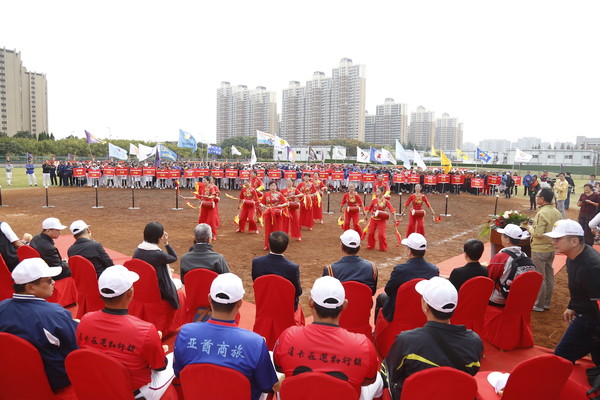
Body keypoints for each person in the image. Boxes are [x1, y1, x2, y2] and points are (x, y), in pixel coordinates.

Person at [273, 276, 383, 400]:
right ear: (345, 305)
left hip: (297, 395)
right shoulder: (363, 345)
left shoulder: (288, 335)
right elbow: (368, 380)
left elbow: (280, 367)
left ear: (311, 302)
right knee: (379, 379)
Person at [173, 273, 278, 400]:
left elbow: (178, 372)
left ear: (209, 299)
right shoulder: (255, 343)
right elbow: (266, 385)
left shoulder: (186, 333)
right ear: (240, 303)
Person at [76, 265, 175, 399]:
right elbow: (159, 367)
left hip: (99, 381)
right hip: (134, 391)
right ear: (130, 292)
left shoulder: (85, 320)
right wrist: (158, 348)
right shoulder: (145, 330)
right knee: (173, 357)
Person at [384, 277, 483, 400]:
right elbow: (471, 373)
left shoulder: (406, 341)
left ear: (426, 306)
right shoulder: (474, 342)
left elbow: (388, 374)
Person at [0, 258, 78, 393]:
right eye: (48, 280)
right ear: (30, 287)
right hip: (54, 381)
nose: (53, 282)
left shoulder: (2, 307)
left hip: (11, 377)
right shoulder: (54, 313)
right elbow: (74, 350)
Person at [545, 220, 600, 365]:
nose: (553, 242)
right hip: (587, 314)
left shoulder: (591, 266)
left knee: (561, 358)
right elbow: (579, 288)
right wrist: (572, 305)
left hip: (591, 319)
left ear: (574, 241)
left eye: (558, 239)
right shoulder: (573, 256)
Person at [377, 233, 439, 322]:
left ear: (409, 251)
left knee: (381, 297)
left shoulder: (400, 270)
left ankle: (378, 330)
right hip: (423, 308)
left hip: (400, 307)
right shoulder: (433, 270)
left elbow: (389, 290)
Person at [527, 188, 562, 312]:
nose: (536, 198)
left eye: (537, 196)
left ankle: (538, 304)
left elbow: (538, 233)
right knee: (549, 276)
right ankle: (546, 303)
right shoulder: (557, 212)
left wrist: (529, 227)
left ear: (542, 199)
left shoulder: (542, 213)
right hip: (551, 248)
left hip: (539, 249)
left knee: (539, 276)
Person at [132, 222, 180, 309]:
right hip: (158, 290)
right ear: (159, 237)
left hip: (141, 287)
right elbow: (174, 257)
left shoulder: (137, 251)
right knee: (179, 282)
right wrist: (166, 243)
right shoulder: (158, 254)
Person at [252, 231, 302, 310]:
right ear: (286, 247)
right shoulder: (292, 268)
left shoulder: (256, 262)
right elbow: (298, 292)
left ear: (269, 244)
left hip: (264, 305)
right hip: (286, 308)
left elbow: (256, 283)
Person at [487, 224, 535, 307]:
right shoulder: (524, 255)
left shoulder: (501, 257)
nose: (501, 237)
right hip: (518, 298)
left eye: (502, 235)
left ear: (508, 240)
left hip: (499, 300)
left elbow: (489, 277)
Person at [323, 229, 378, 295]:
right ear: (359, 247)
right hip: (363, 304)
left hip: (341, 305)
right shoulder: (372, 267)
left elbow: (326, 294)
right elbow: (372, 292)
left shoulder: (330, 270)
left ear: (341, 247)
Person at [365, 185, 397, 252]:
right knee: (370, 233)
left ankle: (383, 247)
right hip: (373, 219)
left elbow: (392, 210)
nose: (377, 193)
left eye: (378, 192)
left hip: (381, 220)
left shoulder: (386, 201)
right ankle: (370, 245)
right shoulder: (374, 200)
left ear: (382, 192)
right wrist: (366, 216)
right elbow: (369, 208)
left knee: (381, 234)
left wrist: (394, 218)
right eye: (376, 192)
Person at [260, 181, 287, 251]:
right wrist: (263, 206)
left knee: (277, 229)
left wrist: (280, 206)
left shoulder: (279, 194)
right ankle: (267, 245)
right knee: (268, 229)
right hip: (269, 214)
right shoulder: (266, 194)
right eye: (271, 186)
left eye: (274, 186)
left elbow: (286, 203)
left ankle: (277, 245)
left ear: (276, 187)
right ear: (269, 187)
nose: (273, 187)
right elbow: (261, 203)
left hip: (277, 214)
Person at [280, 177, 303, 242]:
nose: (288, 182)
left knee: (295, 221)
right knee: (285, 222)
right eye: (287, 181)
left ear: (292, 182)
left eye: (290, 181)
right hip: (285, 208)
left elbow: (301, 194)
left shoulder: (294, 190)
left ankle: (298, 236)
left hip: (293, 207)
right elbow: (279, 197)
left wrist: (295, 196)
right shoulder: (283, 190)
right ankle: (284, 235)